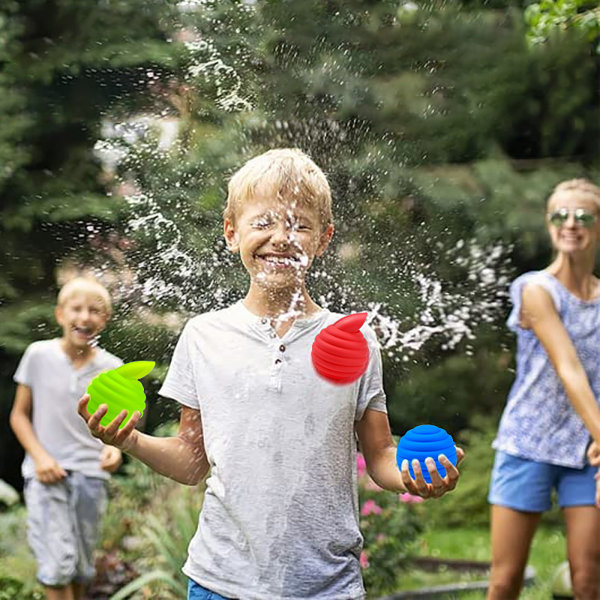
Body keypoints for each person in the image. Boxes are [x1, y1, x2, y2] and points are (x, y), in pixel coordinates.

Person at [78, 148, 463, 600]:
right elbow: (191, 461)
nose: (281, 237)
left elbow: (379, 454)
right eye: (263, 222)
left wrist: (414, 476)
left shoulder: (354, 338)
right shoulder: (204, 335)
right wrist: (130, 441)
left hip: (327, 585)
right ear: (231, 230)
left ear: (324, 238)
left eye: (300, 224)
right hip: (221, 581)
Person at [487, 178, 600, 600]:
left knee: (589, 580)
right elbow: (568, 368)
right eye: (560, 215)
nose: (570, 224)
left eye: (583, 216)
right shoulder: (535, 289)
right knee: (505, 580)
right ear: (549, 224)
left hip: (587, 451)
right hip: (528, 443)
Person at [9, 276, 123, 600]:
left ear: (105, 320)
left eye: (94, 311)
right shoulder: (37, 355)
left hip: (91, 475)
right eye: (76, 309)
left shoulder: (113, 369)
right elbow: (19, 415)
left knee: (81, 568)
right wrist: (40, 457)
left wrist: (114, 452)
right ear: (60, 314)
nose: (84, 317)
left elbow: (115, 430)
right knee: (57, 568)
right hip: (47, 474)